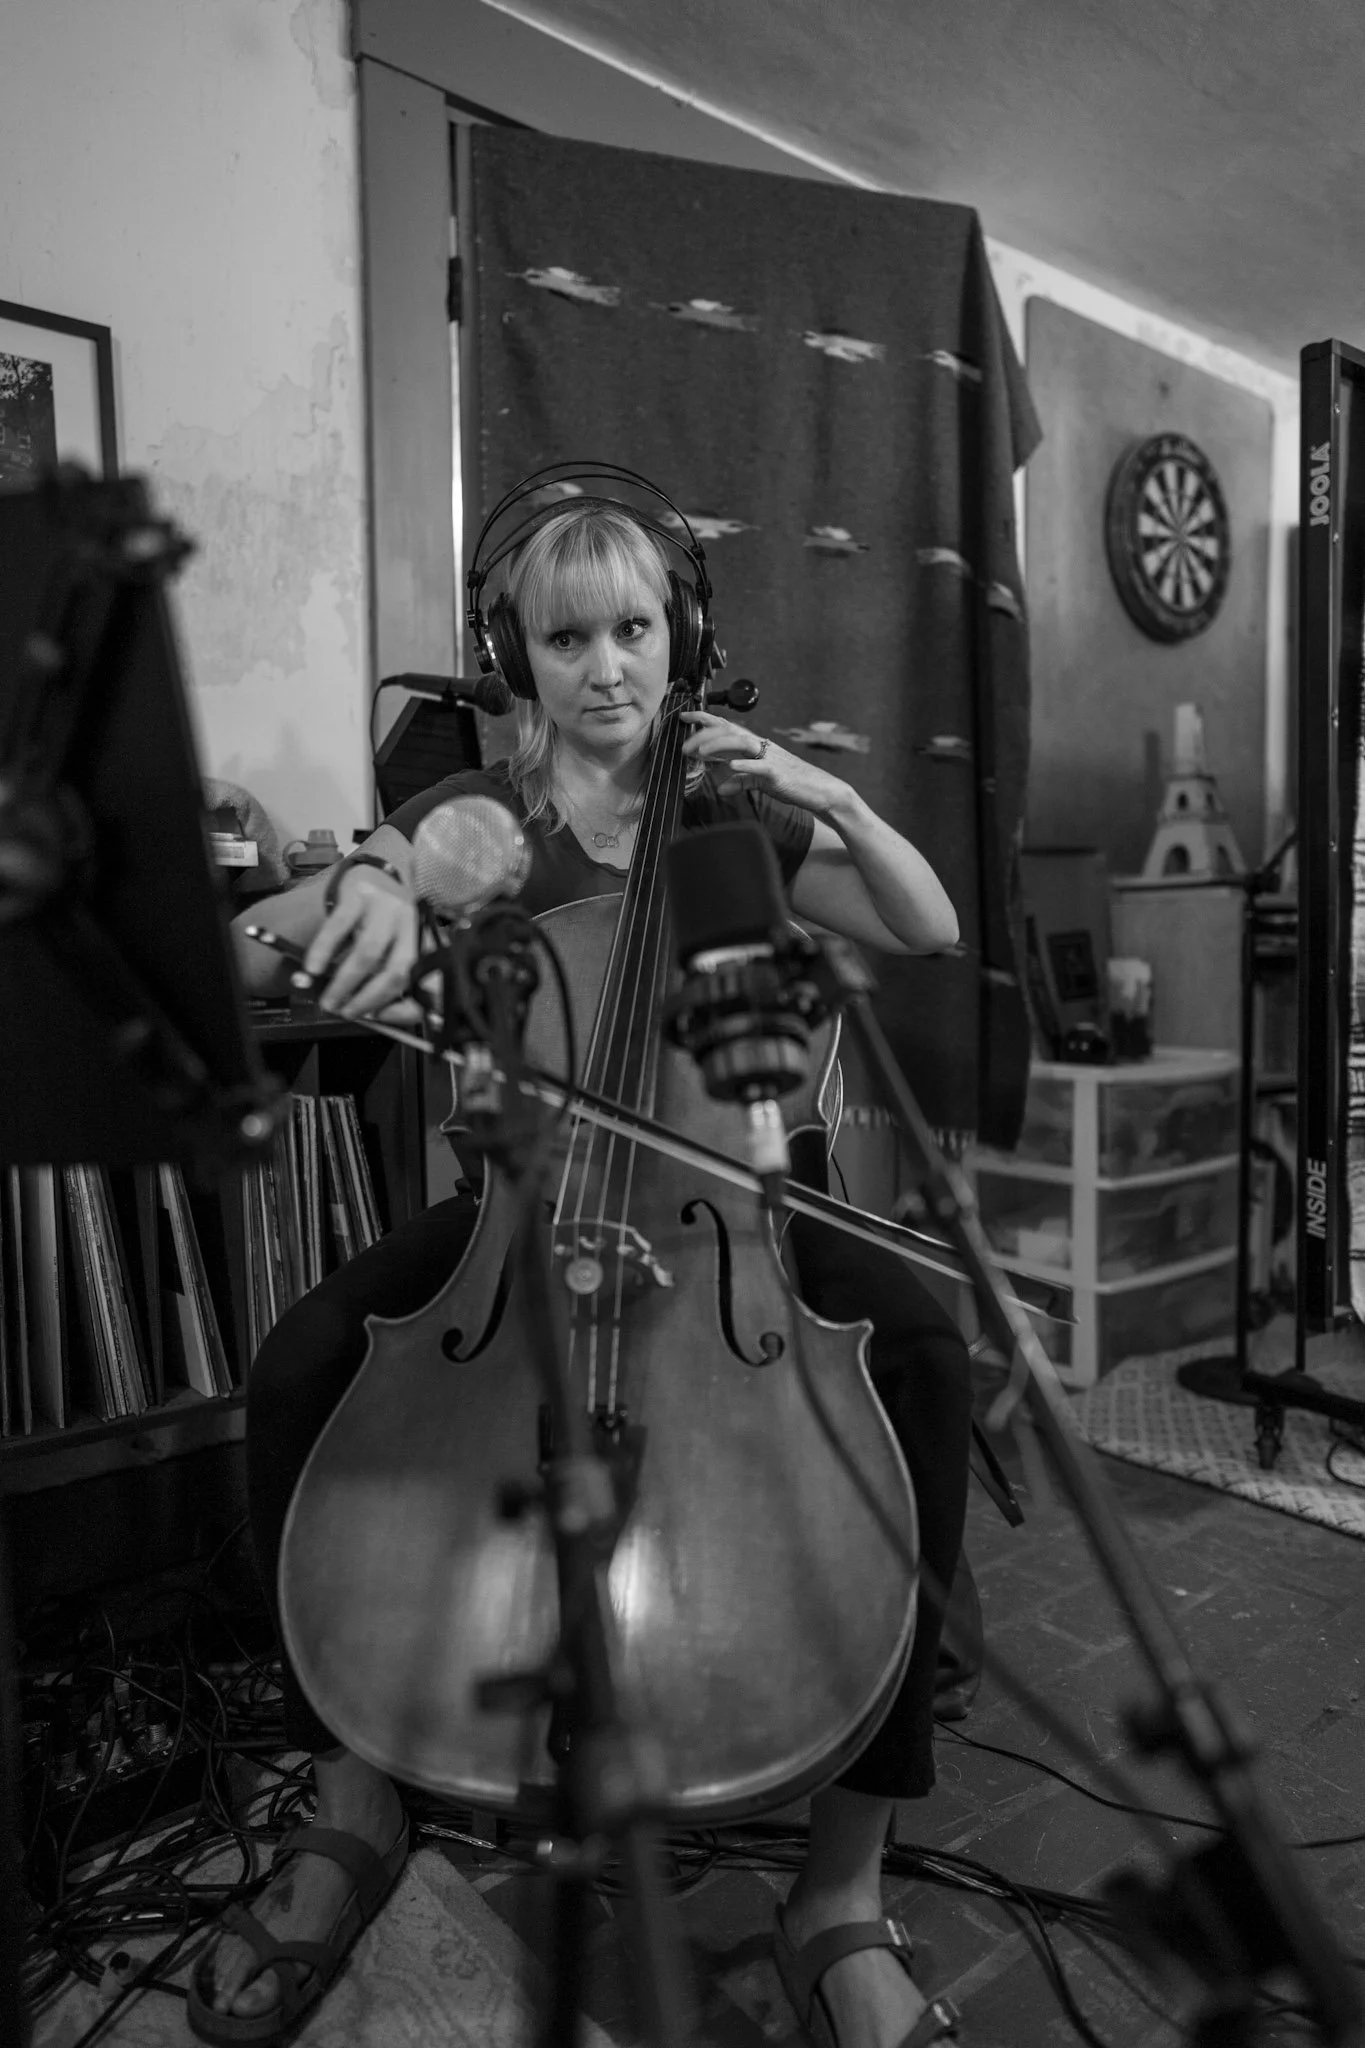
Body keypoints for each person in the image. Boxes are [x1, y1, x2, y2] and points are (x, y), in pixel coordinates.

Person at [190, 497, 974, 2048]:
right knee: (294, 1365)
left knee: (925, 1357)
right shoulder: (488, 813)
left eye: (634, 629)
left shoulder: (745, 814)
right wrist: (344, 894)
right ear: (517, 658)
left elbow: (929, 926)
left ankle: (840, 1890)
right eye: (566, 638)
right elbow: (300, 932)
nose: (608, 668)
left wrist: (829, 790)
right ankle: (351, 1804)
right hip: (527, 1218)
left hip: (735, 1210)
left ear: (683, 637)